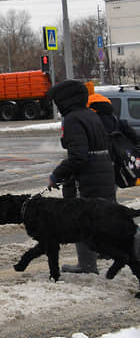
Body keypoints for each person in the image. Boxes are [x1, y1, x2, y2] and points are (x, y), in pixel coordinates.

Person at [47, 80, 116, 274]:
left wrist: (56, 175)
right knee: (107, 218)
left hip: (87, 179)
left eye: (57, 101)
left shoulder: (72, 120)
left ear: (65, 100)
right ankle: (89, 263)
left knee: (79, 218)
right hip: (102, 173)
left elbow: (78, 156)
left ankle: (87, 265)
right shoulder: (90, 115)